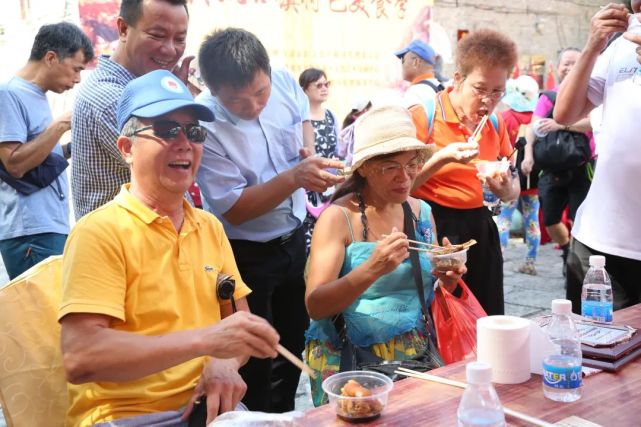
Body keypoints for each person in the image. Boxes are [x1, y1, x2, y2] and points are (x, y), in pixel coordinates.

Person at [59, 69, 280, 426]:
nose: (184, 143)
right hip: (128, 416)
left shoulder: (208, 226)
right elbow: (81, 358)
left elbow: (238, 327)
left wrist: (224, 360)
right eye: (165, 130)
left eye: (194, 132)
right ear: (127, 148)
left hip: (207, 408)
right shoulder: (99, 232)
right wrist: (207, 340)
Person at [195, 28, 344, 413]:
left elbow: (300, 119)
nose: (253, 106)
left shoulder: (281, 79)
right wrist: (295, 177)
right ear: (212, 90)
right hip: (244, 255)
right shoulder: (205, 124)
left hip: (293, 239)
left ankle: (280, 418)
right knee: (254, 352)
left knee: (293, 340)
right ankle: (256, 417)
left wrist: (307, 153)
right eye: (237, 101)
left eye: (260, 93)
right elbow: (236, 209)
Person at [304, 105, 465, 406]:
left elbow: (424, 291)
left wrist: (448, 278)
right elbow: (315, 305)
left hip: (415, 352)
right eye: (390, 166)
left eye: (411, 164)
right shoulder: (338, 218)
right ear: (364, 167)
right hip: (347, 359)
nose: (404, 177)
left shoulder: (422, 213)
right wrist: (372, 269)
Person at [409, 29, 520, 316]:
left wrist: (505, 188)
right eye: (480, 89)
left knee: (485, 315)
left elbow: (513, 187)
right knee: (441, 317)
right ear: (457, 79)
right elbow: (400, 186)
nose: (488, 100)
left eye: (497, 91)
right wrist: (441, 160)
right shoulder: (425, 116)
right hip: (433, 227)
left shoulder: (494, 124)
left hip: (480, 227)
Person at [554, 2, 641, 313]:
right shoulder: (621, 48)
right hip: (599, 243)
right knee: (593, 355)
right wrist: (593, 44)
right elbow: (564, 113)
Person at [72, 0, 193, 219]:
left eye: (180, 39)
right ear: (123, 29)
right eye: (157, 35)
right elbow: (173, 181)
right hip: (126, 248)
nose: (170, 49)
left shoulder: (145, 90)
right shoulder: (113, 99)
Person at [0, 22, 93, 280]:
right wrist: (61, 125)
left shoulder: (36, 94)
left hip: (48, 225)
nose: (77, 79)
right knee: (43, 317)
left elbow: (40, 159)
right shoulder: (8, 93)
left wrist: (76, 145)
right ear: (51, 58)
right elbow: (15, 164)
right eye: (76, 69)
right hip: (31, 231)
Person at [523, 48, 594, 276]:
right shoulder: (548, 97)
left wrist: (561, 124)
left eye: (575, 62)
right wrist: (528, 155)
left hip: (582, 167)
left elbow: (592, 123)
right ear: (558, 66)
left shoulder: (591, 92)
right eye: (566, 63)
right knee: (551, 219)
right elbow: (533, 126)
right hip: (551, 168)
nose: (570, 67)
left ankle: (576, 260)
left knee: (579, 219)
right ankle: (566, 252)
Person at [496, 75, 541, 275]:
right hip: (533, 178)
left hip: (510, 177)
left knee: (503, 219)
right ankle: (530, 262)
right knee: (532, 220)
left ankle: (499, 257)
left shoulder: (505, 118)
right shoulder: (538, 118)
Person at [299, 68, 341, 252]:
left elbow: (339, 150)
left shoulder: (331, 115)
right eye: (318, 85)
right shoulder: (300, 119)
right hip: (308, 186)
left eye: (326, 84)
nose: (324, 88)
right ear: (305, 89)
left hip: (330, 184)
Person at [395, 39, 444, 108]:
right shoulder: (438, 86)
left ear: (416, 62)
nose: (402, 64)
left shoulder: (416, 92)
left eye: (403, 60)